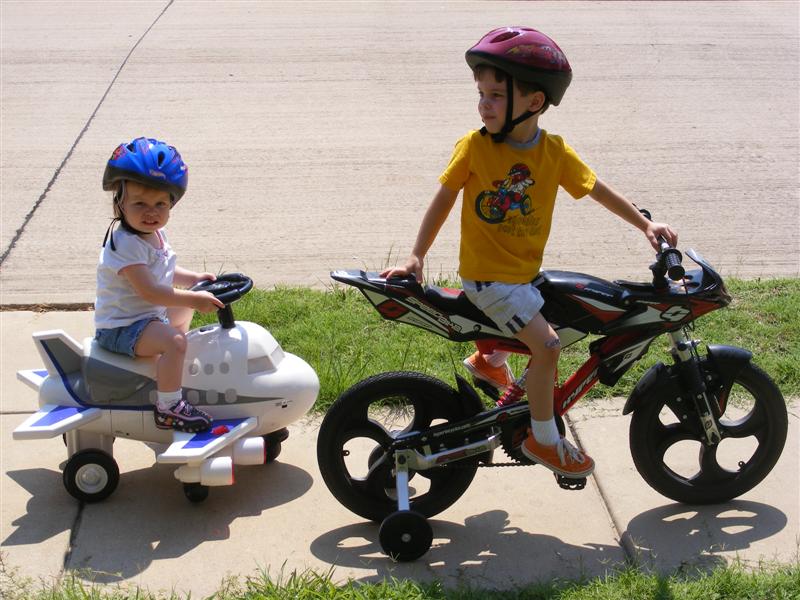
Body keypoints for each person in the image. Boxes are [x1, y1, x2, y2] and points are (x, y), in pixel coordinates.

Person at [381, 27, 677, 479]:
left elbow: (597, 189)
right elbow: (444, 198)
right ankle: (544, 439)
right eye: (481, 94)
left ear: (534, 102)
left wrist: (645, 224)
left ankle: (489, 362)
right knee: (549, 346)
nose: (484, 104)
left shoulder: (553, 152)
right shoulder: (474, 147)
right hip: (490, 280)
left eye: (497, 95)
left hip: (522, 275)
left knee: (563, 306)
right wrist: (416, 256)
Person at [94, 137, 224, 433]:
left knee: (182, 317)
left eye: (160, 204)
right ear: (120, 202)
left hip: (144, 319)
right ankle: (169, 407)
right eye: (140, 203)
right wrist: (194, 298)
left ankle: (170, 370)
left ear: (171, 204)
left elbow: (164, 270)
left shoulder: (155, 234)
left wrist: (194, 280)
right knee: (176, 340)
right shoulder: (124, 243)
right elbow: (151, 291)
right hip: (120, 328)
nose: (151, 212)